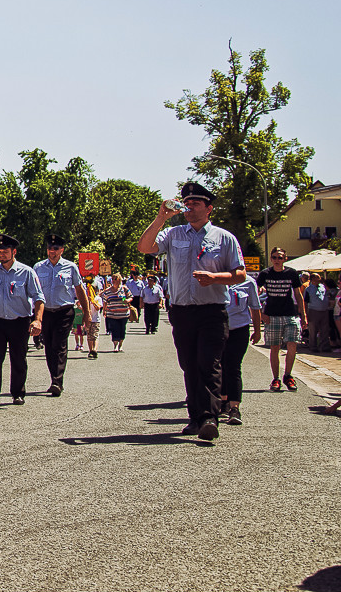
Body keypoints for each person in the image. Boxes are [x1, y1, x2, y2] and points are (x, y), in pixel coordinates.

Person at [138, 181, 245, 441]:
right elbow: (144, 247)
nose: (189, 207)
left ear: (209, 208)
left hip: (212, 311)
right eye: (186, 203)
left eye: (195, 203)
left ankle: (209, 418)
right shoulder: (173, 234)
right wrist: (161, 218)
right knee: (189, 365)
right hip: (182, 312)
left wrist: (215, 278)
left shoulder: (224, 238)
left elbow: (240, 274)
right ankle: (195, 418)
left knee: (209, 363)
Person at [0, 234, 44, 406]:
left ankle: (18, 393)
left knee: (18, 358)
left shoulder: (26, 272)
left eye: (5, 251)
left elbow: (39, 298)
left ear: (14, 252)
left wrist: (37, 320)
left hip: (19, 321)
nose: (2, 254)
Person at [33, 234, 89, 397]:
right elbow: (33, 291)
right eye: (50, 248)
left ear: (62, 250)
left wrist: (86, 313)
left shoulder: (70, 267)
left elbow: (80, 290)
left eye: (56, 248)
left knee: (59, 344)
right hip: (45, 312)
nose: (52, 251)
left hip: (64, 311)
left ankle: (57, 382)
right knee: (49, 346)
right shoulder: (38, 267)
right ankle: (54, 378)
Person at [257, 247, 306, 391]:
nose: (277, 260)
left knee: (292, 344)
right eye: (274, 257)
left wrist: (303, 315)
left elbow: (298, 294)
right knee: (275, 347)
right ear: (271, 259)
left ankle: (288, 375)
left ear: (285, 258)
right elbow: (255, 293)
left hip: (290, 314)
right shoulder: (265, 274)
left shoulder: (291, 273)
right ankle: (276, 378)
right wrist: (261, 313)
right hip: (272, 315)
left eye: (280, 257)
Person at [222, 276, 262, 426]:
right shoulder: (216, 278)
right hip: (218, 328)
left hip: (240, 328)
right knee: (218, 366)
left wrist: (257, 331)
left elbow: (255, 307)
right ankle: (223, 401)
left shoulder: (248, 282)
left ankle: (234, 408)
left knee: (233, 366)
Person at [100, 274, 131, 352]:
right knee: (114, 329)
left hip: (123, 314)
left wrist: (127, 300)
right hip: (112, 314)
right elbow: (105, 301)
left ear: (119, 280)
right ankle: (115, 345)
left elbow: (130, 297)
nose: (113, 281)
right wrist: (104, 310)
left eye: (115, 279)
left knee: (122, 329)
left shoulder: (124, 289)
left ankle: (120, 345)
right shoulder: (108, 291)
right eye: (112, 279)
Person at [304, 272, 332, 353]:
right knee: (313, 330)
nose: (319, 279)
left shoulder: (323, 287)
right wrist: (306, 313)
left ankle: (325, 346)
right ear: (313, 279)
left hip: (324, 310)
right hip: (313, 310)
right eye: (317, 278)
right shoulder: (308, 289)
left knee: (324, 329)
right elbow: (305, 302)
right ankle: (313, 346)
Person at [83, 280, 101, 359]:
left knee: (95, 335)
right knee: (89, 336)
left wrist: (93, 301)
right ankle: (91, 351)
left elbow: (98, 308)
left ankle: (95, 350)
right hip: (88, 319)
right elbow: (83, 309)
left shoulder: (98, 298)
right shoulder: (86, 299)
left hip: (96, 319)